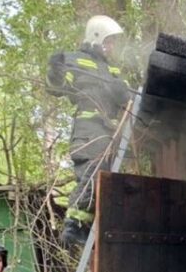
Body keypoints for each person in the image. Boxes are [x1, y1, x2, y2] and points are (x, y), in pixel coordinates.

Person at [46, 15, 134, 248]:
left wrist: (123, 91)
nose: (112, 46)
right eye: (109, 41)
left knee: (104, 181)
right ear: (97, 38)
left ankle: (85, 225)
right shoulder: (75, 61)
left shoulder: (111, 69)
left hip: (106, 133)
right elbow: (57, 87)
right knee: (92, 174)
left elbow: (127, 100)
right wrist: (55, 69)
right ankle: (73, 226)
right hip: (88, 130)